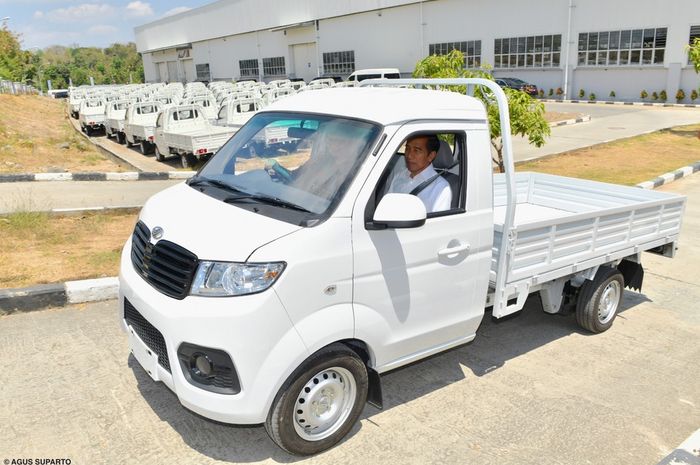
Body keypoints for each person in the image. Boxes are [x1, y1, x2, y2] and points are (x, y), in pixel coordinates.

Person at [386, 134, 451, 213]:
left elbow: (438, 223)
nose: (409, 155)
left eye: (416, 150)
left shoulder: (441, 188)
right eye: (407, 148)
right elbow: (386, 207)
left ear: (430, 156)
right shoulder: (398, 176)